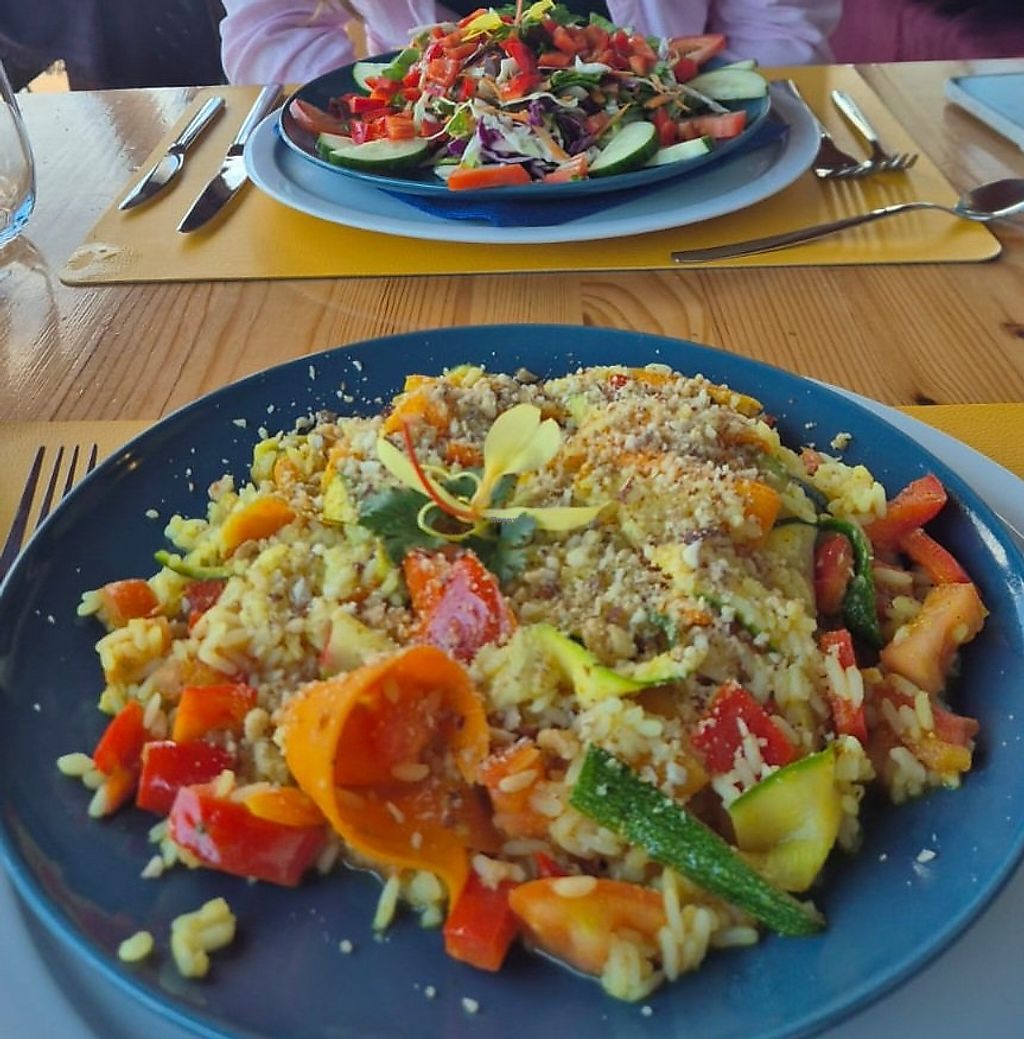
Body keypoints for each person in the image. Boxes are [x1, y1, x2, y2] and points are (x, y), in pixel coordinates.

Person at [220, 0, 841, 85]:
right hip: (418, 199)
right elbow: (270, 26)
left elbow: (776, 24)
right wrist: (387, 114)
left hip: (684, 166)